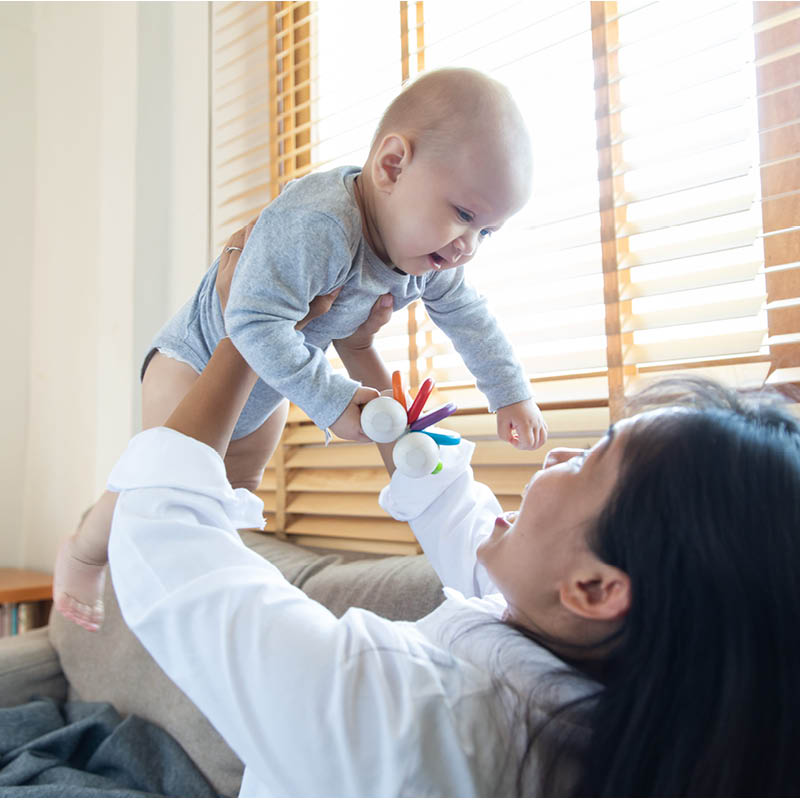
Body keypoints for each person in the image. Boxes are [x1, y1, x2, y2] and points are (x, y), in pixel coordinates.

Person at [105, 243, 800, 795]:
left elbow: (166, 542)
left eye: (589, 461)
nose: (560, 451)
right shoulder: (588, 688)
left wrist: (247, 320)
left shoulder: (403, 712)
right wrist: (357, 352)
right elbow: (445, 498)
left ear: (596, 588)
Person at [54, 66, 547, 631]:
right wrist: (336, 401)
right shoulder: (320, 225)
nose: (468, 248)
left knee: (228, 502)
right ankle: (84, 553)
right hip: (193, 363)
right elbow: (252, 320)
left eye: (487, 232)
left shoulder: (429, 253)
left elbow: (470, 318)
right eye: (464, 215)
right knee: (165, 483)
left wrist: (509, 393)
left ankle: (206, 606)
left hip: (268, 386)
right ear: (393, 166)